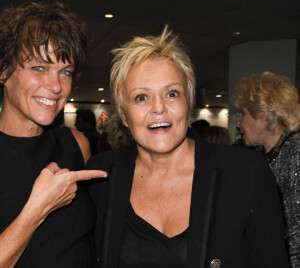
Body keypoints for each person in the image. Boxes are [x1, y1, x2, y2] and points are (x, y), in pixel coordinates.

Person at [87, 28, 290, 267]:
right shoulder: (101, 177)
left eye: (172, 93)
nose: (159, 108)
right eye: (141, 97)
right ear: (123, 114)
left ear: (188, 103)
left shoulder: (244, 173)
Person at [0, 1, 107, 267]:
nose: (56, 86)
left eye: (65, 72)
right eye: (39, 68)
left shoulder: (75, 143)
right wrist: (39, 207)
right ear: (3, 70)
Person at [233, 71, 300, 267]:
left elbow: (296, 230)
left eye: (242, 113)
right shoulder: (261, 157)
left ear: (262, 114)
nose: (238, 123)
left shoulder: (295, 151)